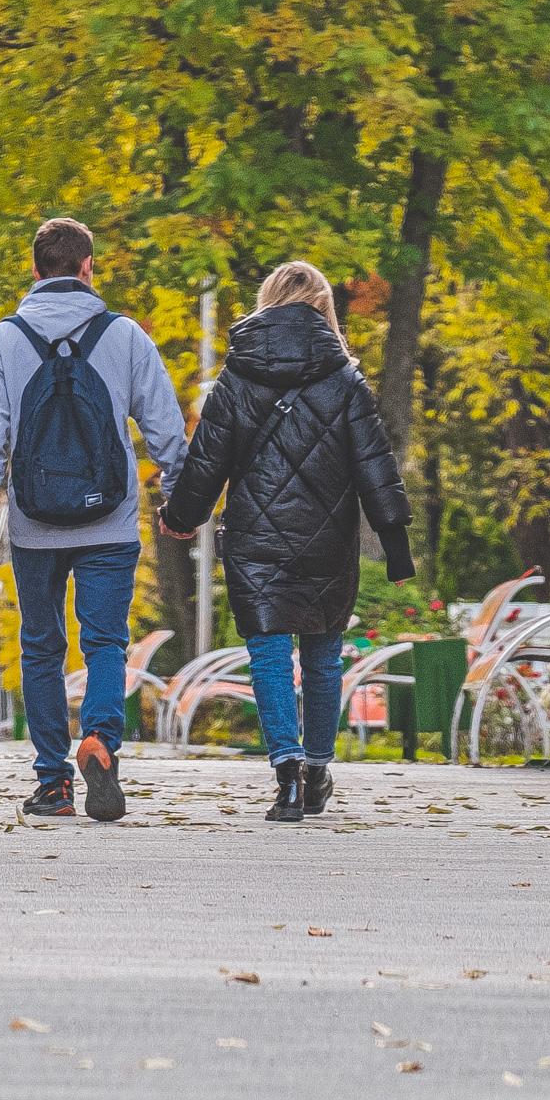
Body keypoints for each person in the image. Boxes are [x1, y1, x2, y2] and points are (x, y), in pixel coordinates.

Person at [159, 262, 413, 822]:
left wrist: (180, 517)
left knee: (270, 657)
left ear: (266, 302)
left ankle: (287, 777)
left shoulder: (235, 379)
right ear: (324, 308)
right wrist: (395, 542)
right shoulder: (346, 380)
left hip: (256, 539)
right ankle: (318, 770)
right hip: (329, 539)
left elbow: (206, 464)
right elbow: (376, 465)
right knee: (323, 658)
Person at [0, 218, 187, 819]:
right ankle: (102, 743)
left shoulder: (4, 340)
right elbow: (164, 427)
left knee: (40, 646)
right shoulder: (125, 336)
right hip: (109, 518)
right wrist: (180, 499)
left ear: (35, 271)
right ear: (89, 268)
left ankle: (53, 782)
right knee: (106, 640)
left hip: (35, 521)